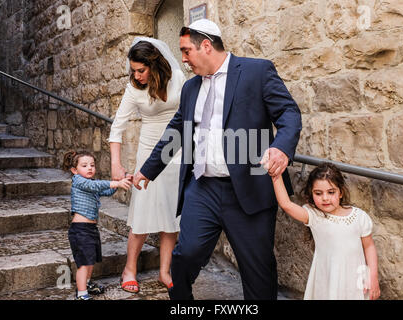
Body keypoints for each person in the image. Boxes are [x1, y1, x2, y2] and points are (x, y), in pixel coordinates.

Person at [133, 19, 302, 300]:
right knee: (184, 256)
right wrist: (148, 170)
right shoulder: (190, 88)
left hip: (250, 187)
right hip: (203, 188)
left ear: (207, 46)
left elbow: (289, 113)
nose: (183, 59)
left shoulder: (257, 71)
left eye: (186, 51)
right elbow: (176, 131)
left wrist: (282, 148)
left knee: (257, 268)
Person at [108, 37, 186, 293]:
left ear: (155, 64)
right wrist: (116, 164)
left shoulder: (177, 77)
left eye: (141, 70)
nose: (137, 75)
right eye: (133, 70)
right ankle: (129, 268)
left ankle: (165, 271)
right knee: (142, 213)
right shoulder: (134, 89)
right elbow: (117, 128)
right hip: (149, 154)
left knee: (172, 215)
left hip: (178, 152)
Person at [262, 159, 380, 300]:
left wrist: (373, 277)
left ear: (341, 192)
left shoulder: (360, 217)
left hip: (355, 282)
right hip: (328, 281)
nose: (325, 198)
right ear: (311, 194)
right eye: (318, 193)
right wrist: (276, 175)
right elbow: (286, 204)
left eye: (331, 192)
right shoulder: (314, 216)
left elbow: (369, 247)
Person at [63, 150, 132, 300]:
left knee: (90, 260)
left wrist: (121, 181)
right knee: (83, 263)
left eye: (92, 165)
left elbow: (105, 191)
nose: (90, 168)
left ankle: (86, 284)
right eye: (85, 165)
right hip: (80, 230)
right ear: (74, 170)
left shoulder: (92, 184)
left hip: (91, 229)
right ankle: (81, 294)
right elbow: (97, 185)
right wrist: (116, 182)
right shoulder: (79, 181)